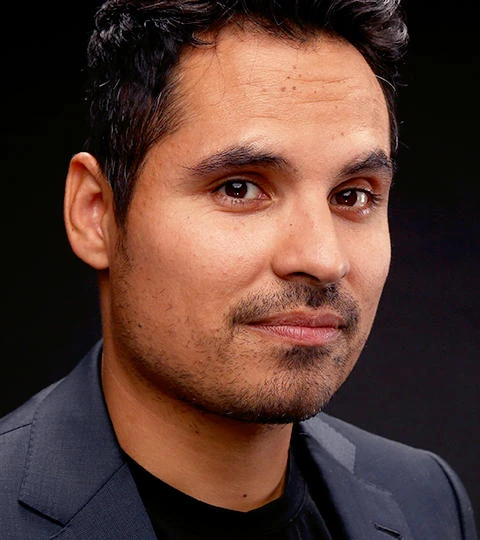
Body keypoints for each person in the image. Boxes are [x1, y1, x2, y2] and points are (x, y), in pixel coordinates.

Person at [0, 0, 477, 537]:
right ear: (96, 214)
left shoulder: (428, 502)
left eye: (353, 195)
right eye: (240, 188)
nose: (323, 259)